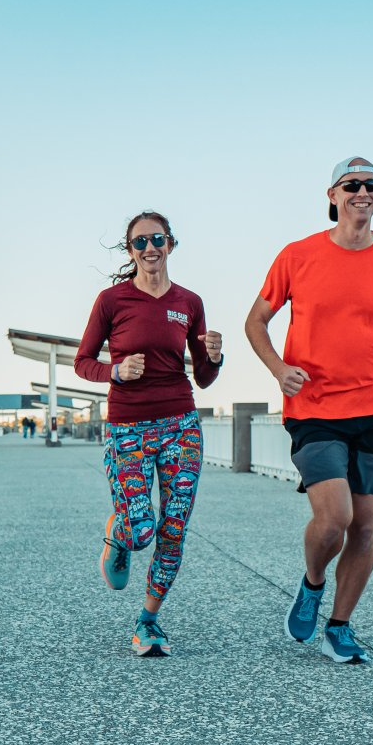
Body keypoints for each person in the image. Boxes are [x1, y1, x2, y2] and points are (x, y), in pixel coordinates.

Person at [245, 157, 373, 665]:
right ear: (333, 195)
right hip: (313, 405)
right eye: (352, 185)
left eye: (372, 185)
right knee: (334, 517)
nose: (363, 192)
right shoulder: (298, 256)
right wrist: (278, 369)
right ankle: (312, 582)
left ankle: (339, 626)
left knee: (365, 525)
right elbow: (256, 322)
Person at [75, 211, 222, 656]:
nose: (149, 248)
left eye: (157, 239)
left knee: (173, 528)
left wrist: (214, 356)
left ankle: (148, 622)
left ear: (171, 244)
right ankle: (120, 532)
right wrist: (115, 371)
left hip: (181, 424)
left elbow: (205, 378)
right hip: (128, 428)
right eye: (139, 242)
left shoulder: (189, 302)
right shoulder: (111, 300)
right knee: (143, 532)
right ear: (130, 251)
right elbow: (83, 361)